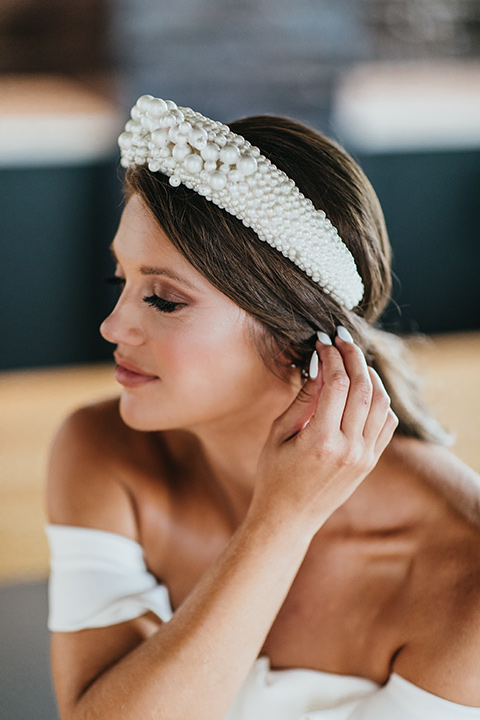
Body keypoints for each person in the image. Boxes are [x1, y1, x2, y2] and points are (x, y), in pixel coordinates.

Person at [46, 96, 480, 720]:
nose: (113, 326)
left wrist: (288, 516)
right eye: (123, 282)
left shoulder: (461, 569)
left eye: (164, 300)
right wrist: (278, 524)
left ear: (293, 330)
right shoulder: (102, 451)